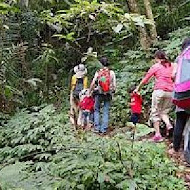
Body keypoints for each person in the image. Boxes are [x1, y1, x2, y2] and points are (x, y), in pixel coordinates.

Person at [135, 50, 175, 142]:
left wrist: (138, 88)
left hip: (159, 91)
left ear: (156, 58)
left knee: (155, 112)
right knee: (164, 112)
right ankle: (168, 124)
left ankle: (158, 135)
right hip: (170, 92)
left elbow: (146, 79)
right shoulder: (172, 66)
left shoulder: (156, 66)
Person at [169, 38, 190, 155]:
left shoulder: (181, 57)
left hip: (184, 95)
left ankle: (175, 149)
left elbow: (174, 75)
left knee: (180, 121)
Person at [89, 57, 116, 134]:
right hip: (108, 93)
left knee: (96, 110)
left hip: (98, 93)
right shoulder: (111, 73)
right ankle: (104, 129)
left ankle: (97, 128)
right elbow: (114, 85)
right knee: (105, 111)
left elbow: (93, 83)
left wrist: (90, 92)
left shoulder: (98, 72)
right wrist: (112, 93)